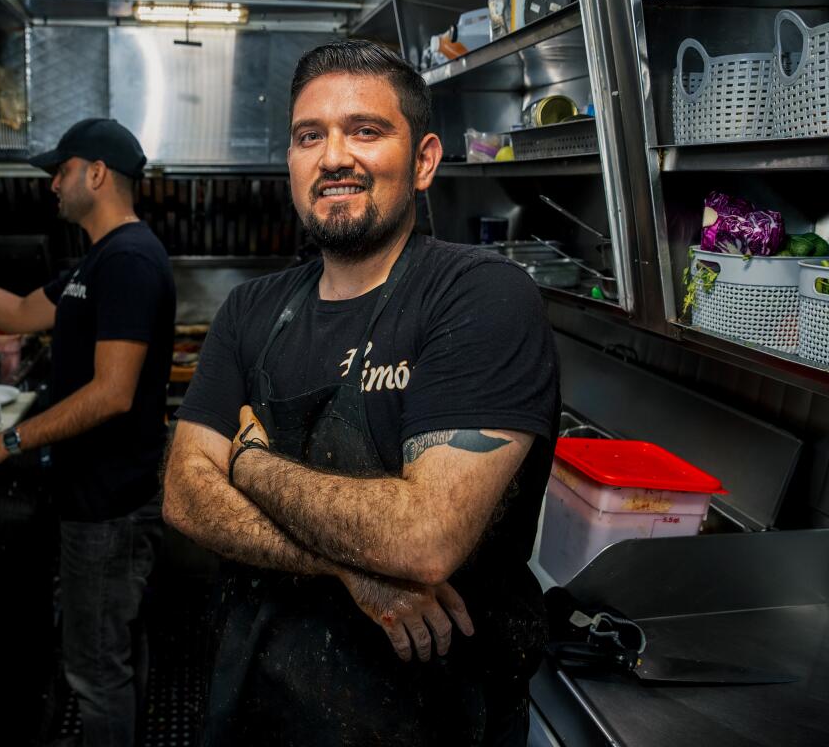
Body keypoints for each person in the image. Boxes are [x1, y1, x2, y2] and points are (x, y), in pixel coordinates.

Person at [163, 40, 559, 746]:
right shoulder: (251, 310)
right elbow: (186, 494)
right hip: (261, 700)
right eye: (309, 136)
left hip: (433, 714)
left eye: (366, 131)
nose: (334, 156)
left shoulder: (480, 296)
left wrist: (249, 465)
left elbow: (423, 536)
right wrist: (345, 566)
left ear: (425, 160)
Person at [0, 118, 175, 747]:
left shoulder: (128, 260)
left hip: (110, 506)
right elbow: (18, 313)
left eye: (62, 170)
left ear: (96, 174)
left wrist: (9, 441)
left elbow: (112, 392)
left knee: (97, 667)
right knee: (114, 649)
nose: (53, 184)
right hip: (97, 497)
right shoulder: (100, 259)